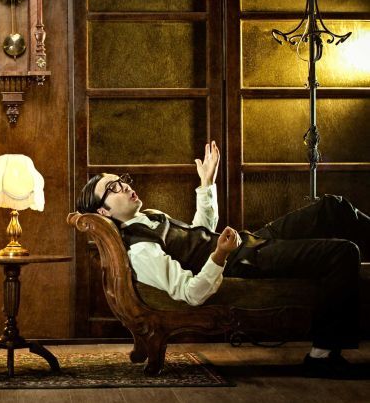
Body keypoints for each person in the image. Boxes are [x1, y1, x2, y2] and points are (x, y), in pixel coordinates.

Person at [77, 141, 369, 379]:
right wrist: (220, 254)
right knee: (344, 252)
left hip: (247, 243)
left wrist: (206, 184)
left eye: (121, 181)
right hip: (245, 261)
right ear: (102, 212)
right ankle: (322, 357)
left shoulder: (150, 216)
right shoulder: (141, 250)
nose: (125, 186)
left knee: (332, 207)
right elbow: (191, 293)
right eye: (113, 188)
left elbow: (200, 233)